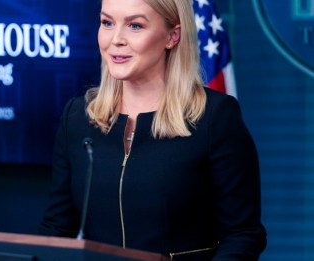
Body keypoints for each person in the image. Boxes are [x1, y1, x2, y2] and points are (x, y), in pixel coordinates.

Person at [38, 0, 267, 260]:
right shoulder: (78, 116)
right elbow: (57, 229)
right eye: (107, 23)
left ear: (172, 36)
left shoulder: (215, 116)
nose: (116, 39)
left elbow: (242, 234)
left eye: (135, 26)